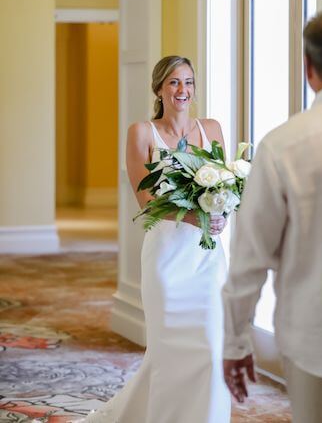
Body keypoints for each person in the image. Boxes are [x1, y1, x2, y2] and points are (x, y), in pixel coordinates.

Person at [222, 9, 322, 423]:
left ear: (308, 68)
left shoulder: (284, 146)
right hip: (321, 335)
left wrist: (235, 342)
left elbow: (250, 257)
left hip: (321, 336)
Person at [84, 55, 231, 423]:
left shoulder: (211, 129)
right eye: (174, 83)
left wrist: (221, 213)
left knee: (212, 350)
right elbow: (146, 203)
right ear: (159, 89)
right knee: (167, 354)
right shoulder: (141, 133)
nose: (183, 90)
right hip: (166, 258)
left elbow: (224, 187)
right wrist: (196, 215)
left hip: (205, 258)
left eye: (188, 83)